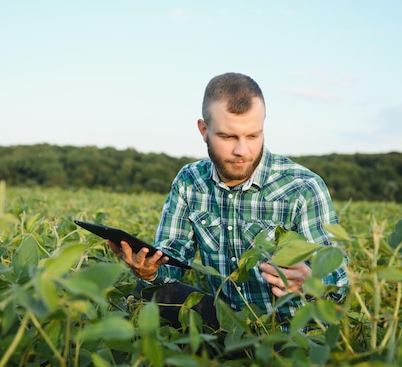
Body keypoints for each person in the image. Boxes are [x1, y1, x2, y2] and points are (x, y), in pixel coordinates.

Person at [108, 72, 347, 331]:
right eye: (228, 137)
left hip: (287, 335)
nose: (242, 151)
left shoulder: (302, 187)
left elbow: (339, 283)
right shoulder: (190, 181)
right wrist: (150, 270)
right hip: (224, 325)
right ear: (204, 130)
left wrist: (311, 280)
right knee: (152, 294)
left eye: (253, 136)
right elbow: (173, 255)